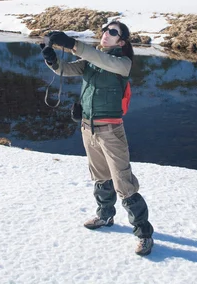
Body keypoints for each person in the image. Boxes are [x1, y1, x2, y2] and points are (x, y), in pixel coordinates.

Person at [40, 22, 154, 256]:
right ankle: (105, 216)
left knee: (124, 183)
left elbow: (96, 57)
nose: (106, 34)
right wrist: (51, 59)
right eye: (105, 30)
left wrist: (72, 44)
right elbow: (65, 70)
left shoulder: (122, 64)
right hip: (88, 129)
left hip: (111, 132)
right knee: (101, 177)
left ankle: (143, 233)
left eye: (113, 32)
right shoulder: (92, 60)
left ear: (121, 42)